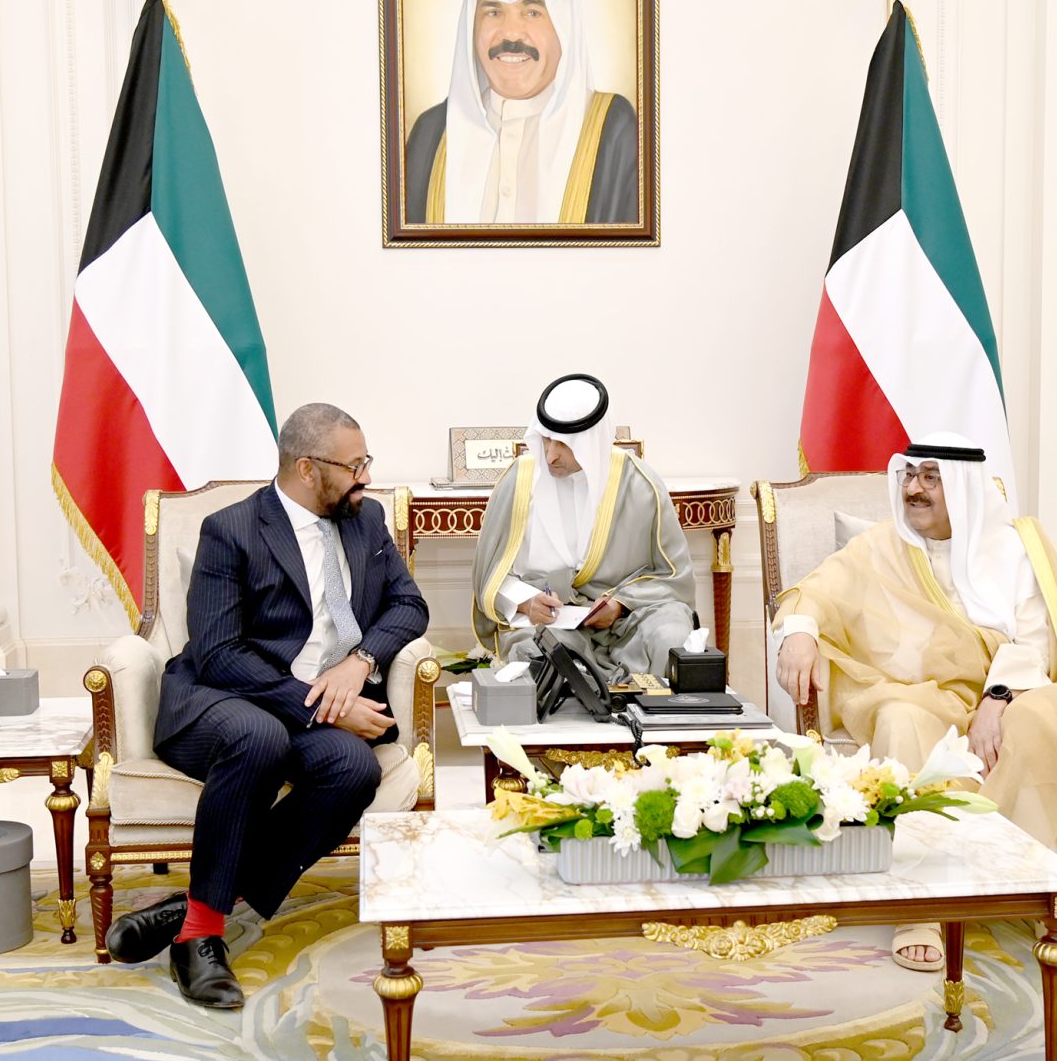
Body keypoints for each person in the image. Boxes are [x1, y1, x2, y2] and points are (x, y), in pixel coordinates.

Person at [104, 404, 428, 1008]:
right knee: (259, 737)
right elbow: (220, 653)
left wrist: (359, 664)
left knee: (352, 769)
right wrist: (324, 707)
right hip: (219, 700)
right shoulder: (232, 530)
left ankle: (191, 907)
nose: (365, 477)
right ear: (307, 468)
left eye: (366, 462)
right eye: (353, 465)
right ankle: (199, 939)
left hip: (305, 703)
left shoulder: (365, 519)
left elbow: (409, 606)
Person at [774, 433, 1057, 973]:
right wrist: (800, 632)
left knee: (1046, 715)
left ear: (963, 488)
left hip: (1010, 687)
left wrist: (997, 699)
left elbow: (1039, 642)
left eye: (930, 478)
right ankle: (920, 904)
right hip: (920, 693)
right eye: (909, 475)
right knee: (900, 717)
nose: (913, 489)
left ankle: (1056, 895)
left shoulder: (1016, 549)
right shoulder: (881, 547)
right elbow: (818, 592)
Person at [472, 373, 695, 680]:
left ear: (591, 442)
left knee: (672, 635)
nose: (550, 456)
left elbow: (674, 578)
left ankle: (654, 709)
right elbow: (492, 577)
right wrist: (525, 602)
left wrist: (622, 604)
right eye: (546, 440)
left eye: (563, 444)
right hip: (550, 623)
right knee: (547, 657)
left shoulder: (640, 486)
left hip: (632, 621)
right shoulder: (519, 482)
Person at [404, 0, 638, 226]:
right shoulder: (432, 133)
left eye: (532, 12)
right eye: (493, 12)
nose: (511, 34)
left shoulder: (613, 129)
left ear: (564, 26)